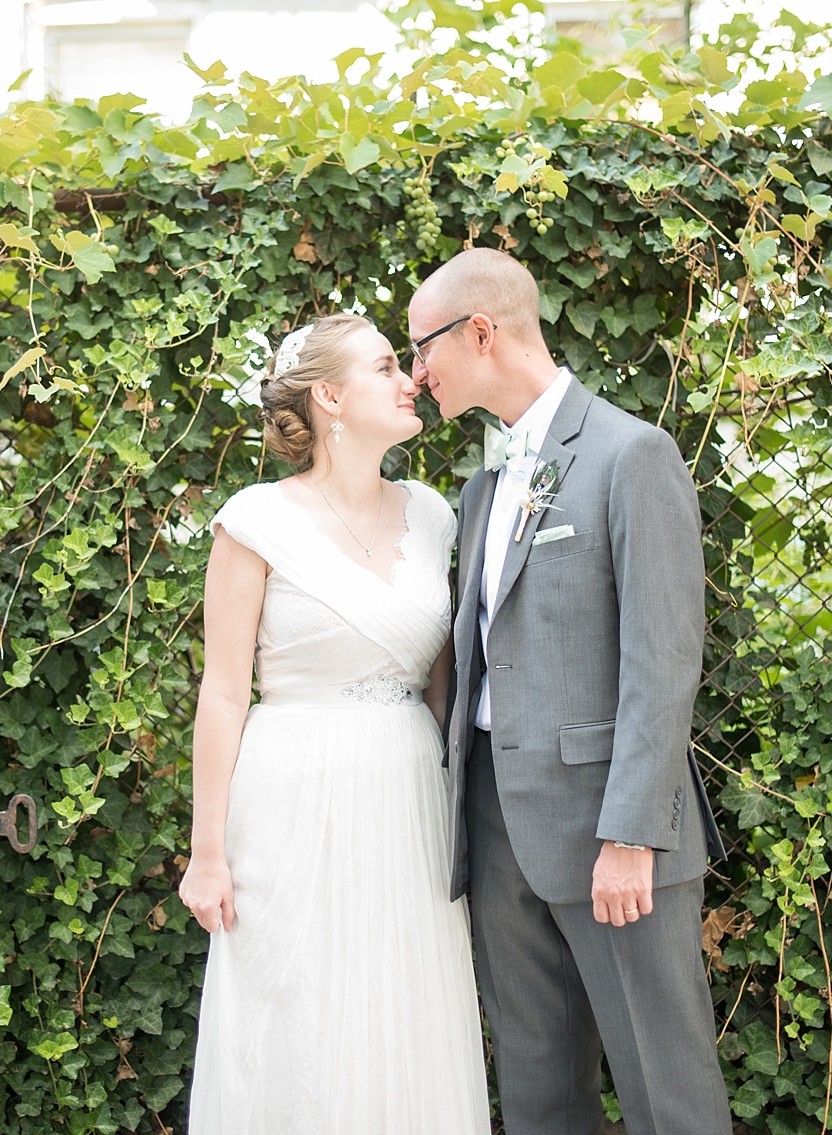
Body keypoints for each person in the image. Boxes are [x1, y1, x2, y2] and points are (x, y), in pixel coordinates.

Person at [408, 248, 731, 1135]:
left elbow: (664, 659)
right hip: (496, 829)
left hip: (608, 829)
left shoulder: (633, 455)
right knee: (538, 1095)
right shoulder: (481, 488)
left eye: (423, 348)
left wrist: (631, 833)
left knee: (667, 1094)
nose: (417, 373)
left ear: (481, 332)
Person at [180, 313, 490, 1135]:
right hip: (292, 799)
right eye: (385, 367)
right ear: (328, 396)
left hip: (408, 802)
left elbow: (441, 688)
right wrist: (207, 853)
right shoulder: (256, 521)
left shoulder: (432, 515)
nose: (409, 379)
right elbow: (223, 691)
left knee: (403, 1013)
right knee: (298, 1019)